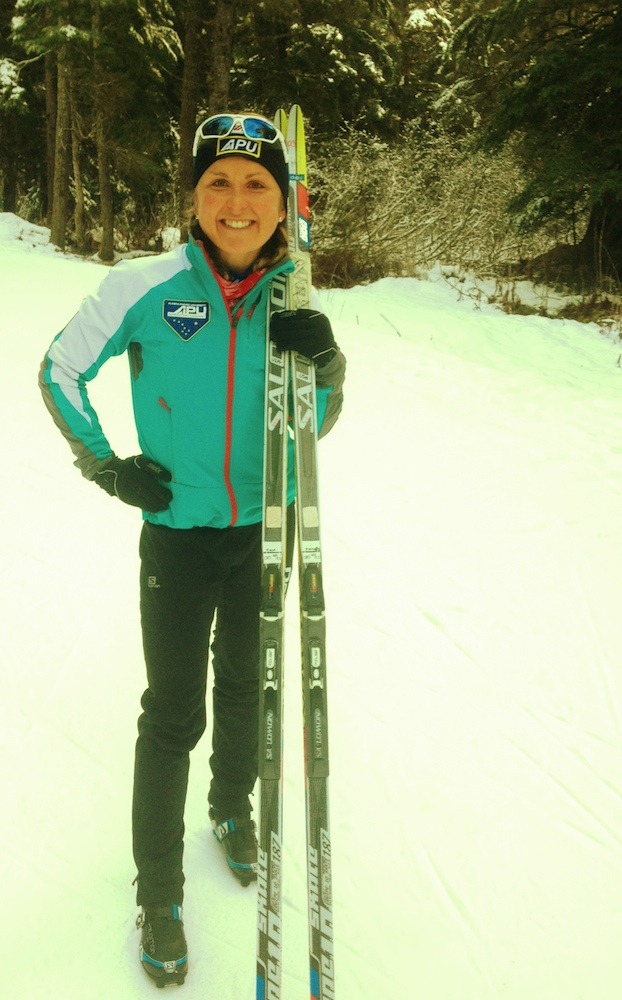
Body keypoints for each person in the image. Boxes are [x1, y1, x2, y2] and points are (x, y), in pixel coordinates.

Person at [39, 112, 346, 988]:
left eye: (257, 185)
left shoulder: (296, 298)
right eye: (219, 182)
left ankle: (231, 808)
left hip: (264, 531)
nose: (237, 201)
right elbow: (58, 368)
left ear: (283, 204)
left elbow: (313, 427)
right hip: (176, 536)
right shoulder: (145, 284)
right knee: (172, 712)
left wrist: (327, 367)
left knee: (245, 684)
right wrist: (105, 466)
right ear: (194, 196)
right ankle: (160, 892)